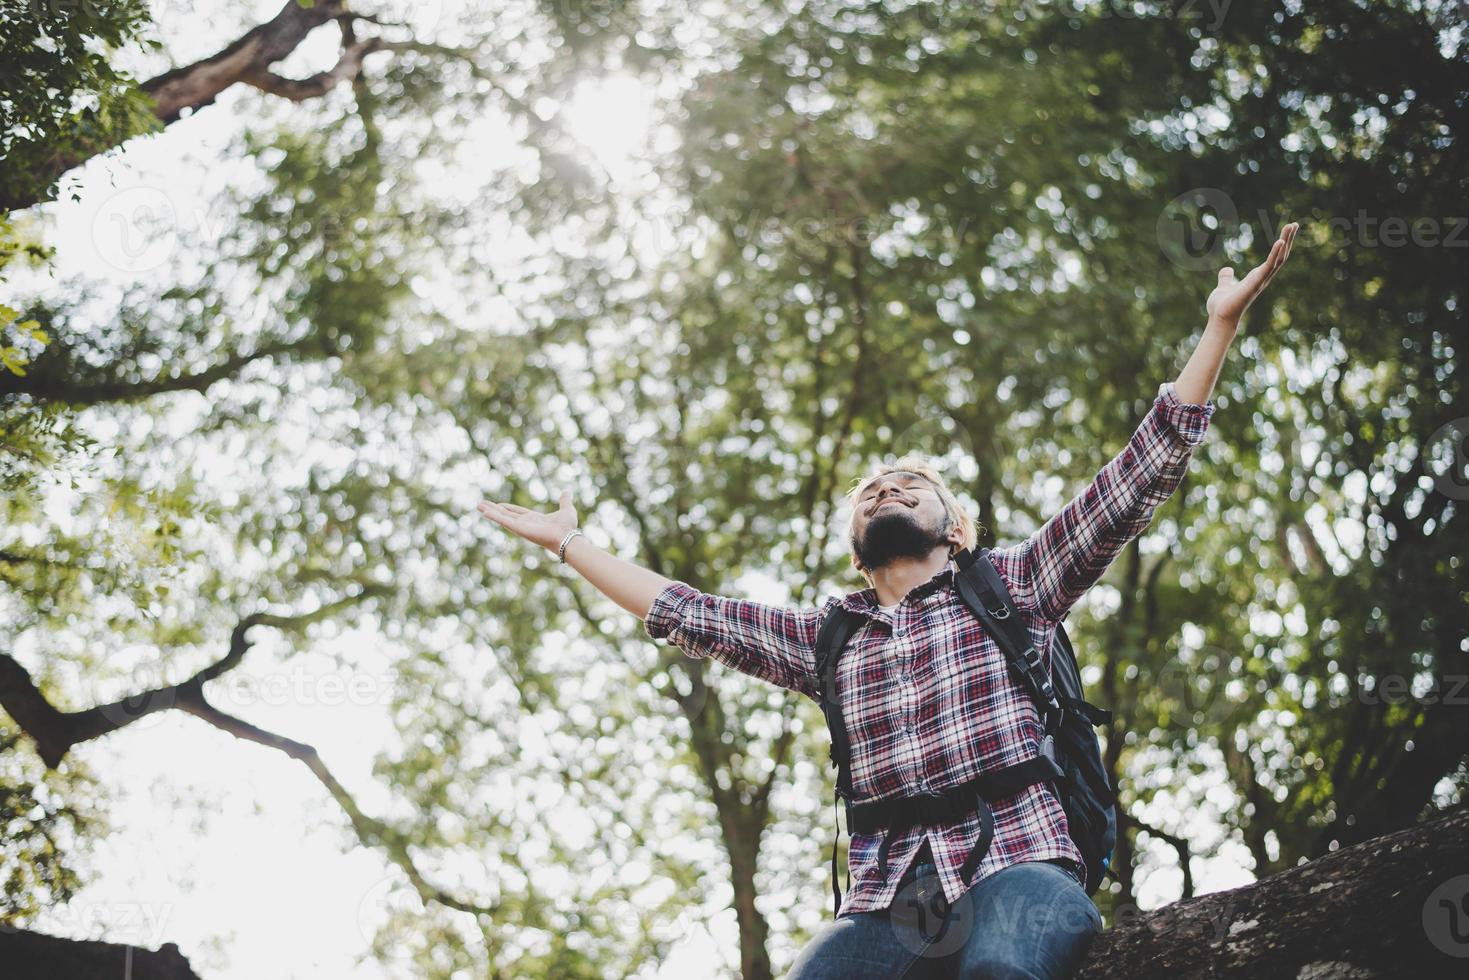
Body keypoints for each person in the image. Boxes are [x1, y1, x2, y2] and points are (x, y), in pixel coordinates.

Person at [477, 222, 1298, 978]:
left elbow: (1135, 478)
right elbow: (684, 612)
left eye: (911, 486)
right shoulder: (826, 639)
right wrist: (566, 543)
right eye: (871, 490)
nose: (886, 491)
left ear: (955, 527)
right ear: (852, 544)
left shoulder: (1011, 587)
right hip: (886, 902)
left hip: (1021, 866)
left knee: (1000, 972)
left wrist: (1218, 325)